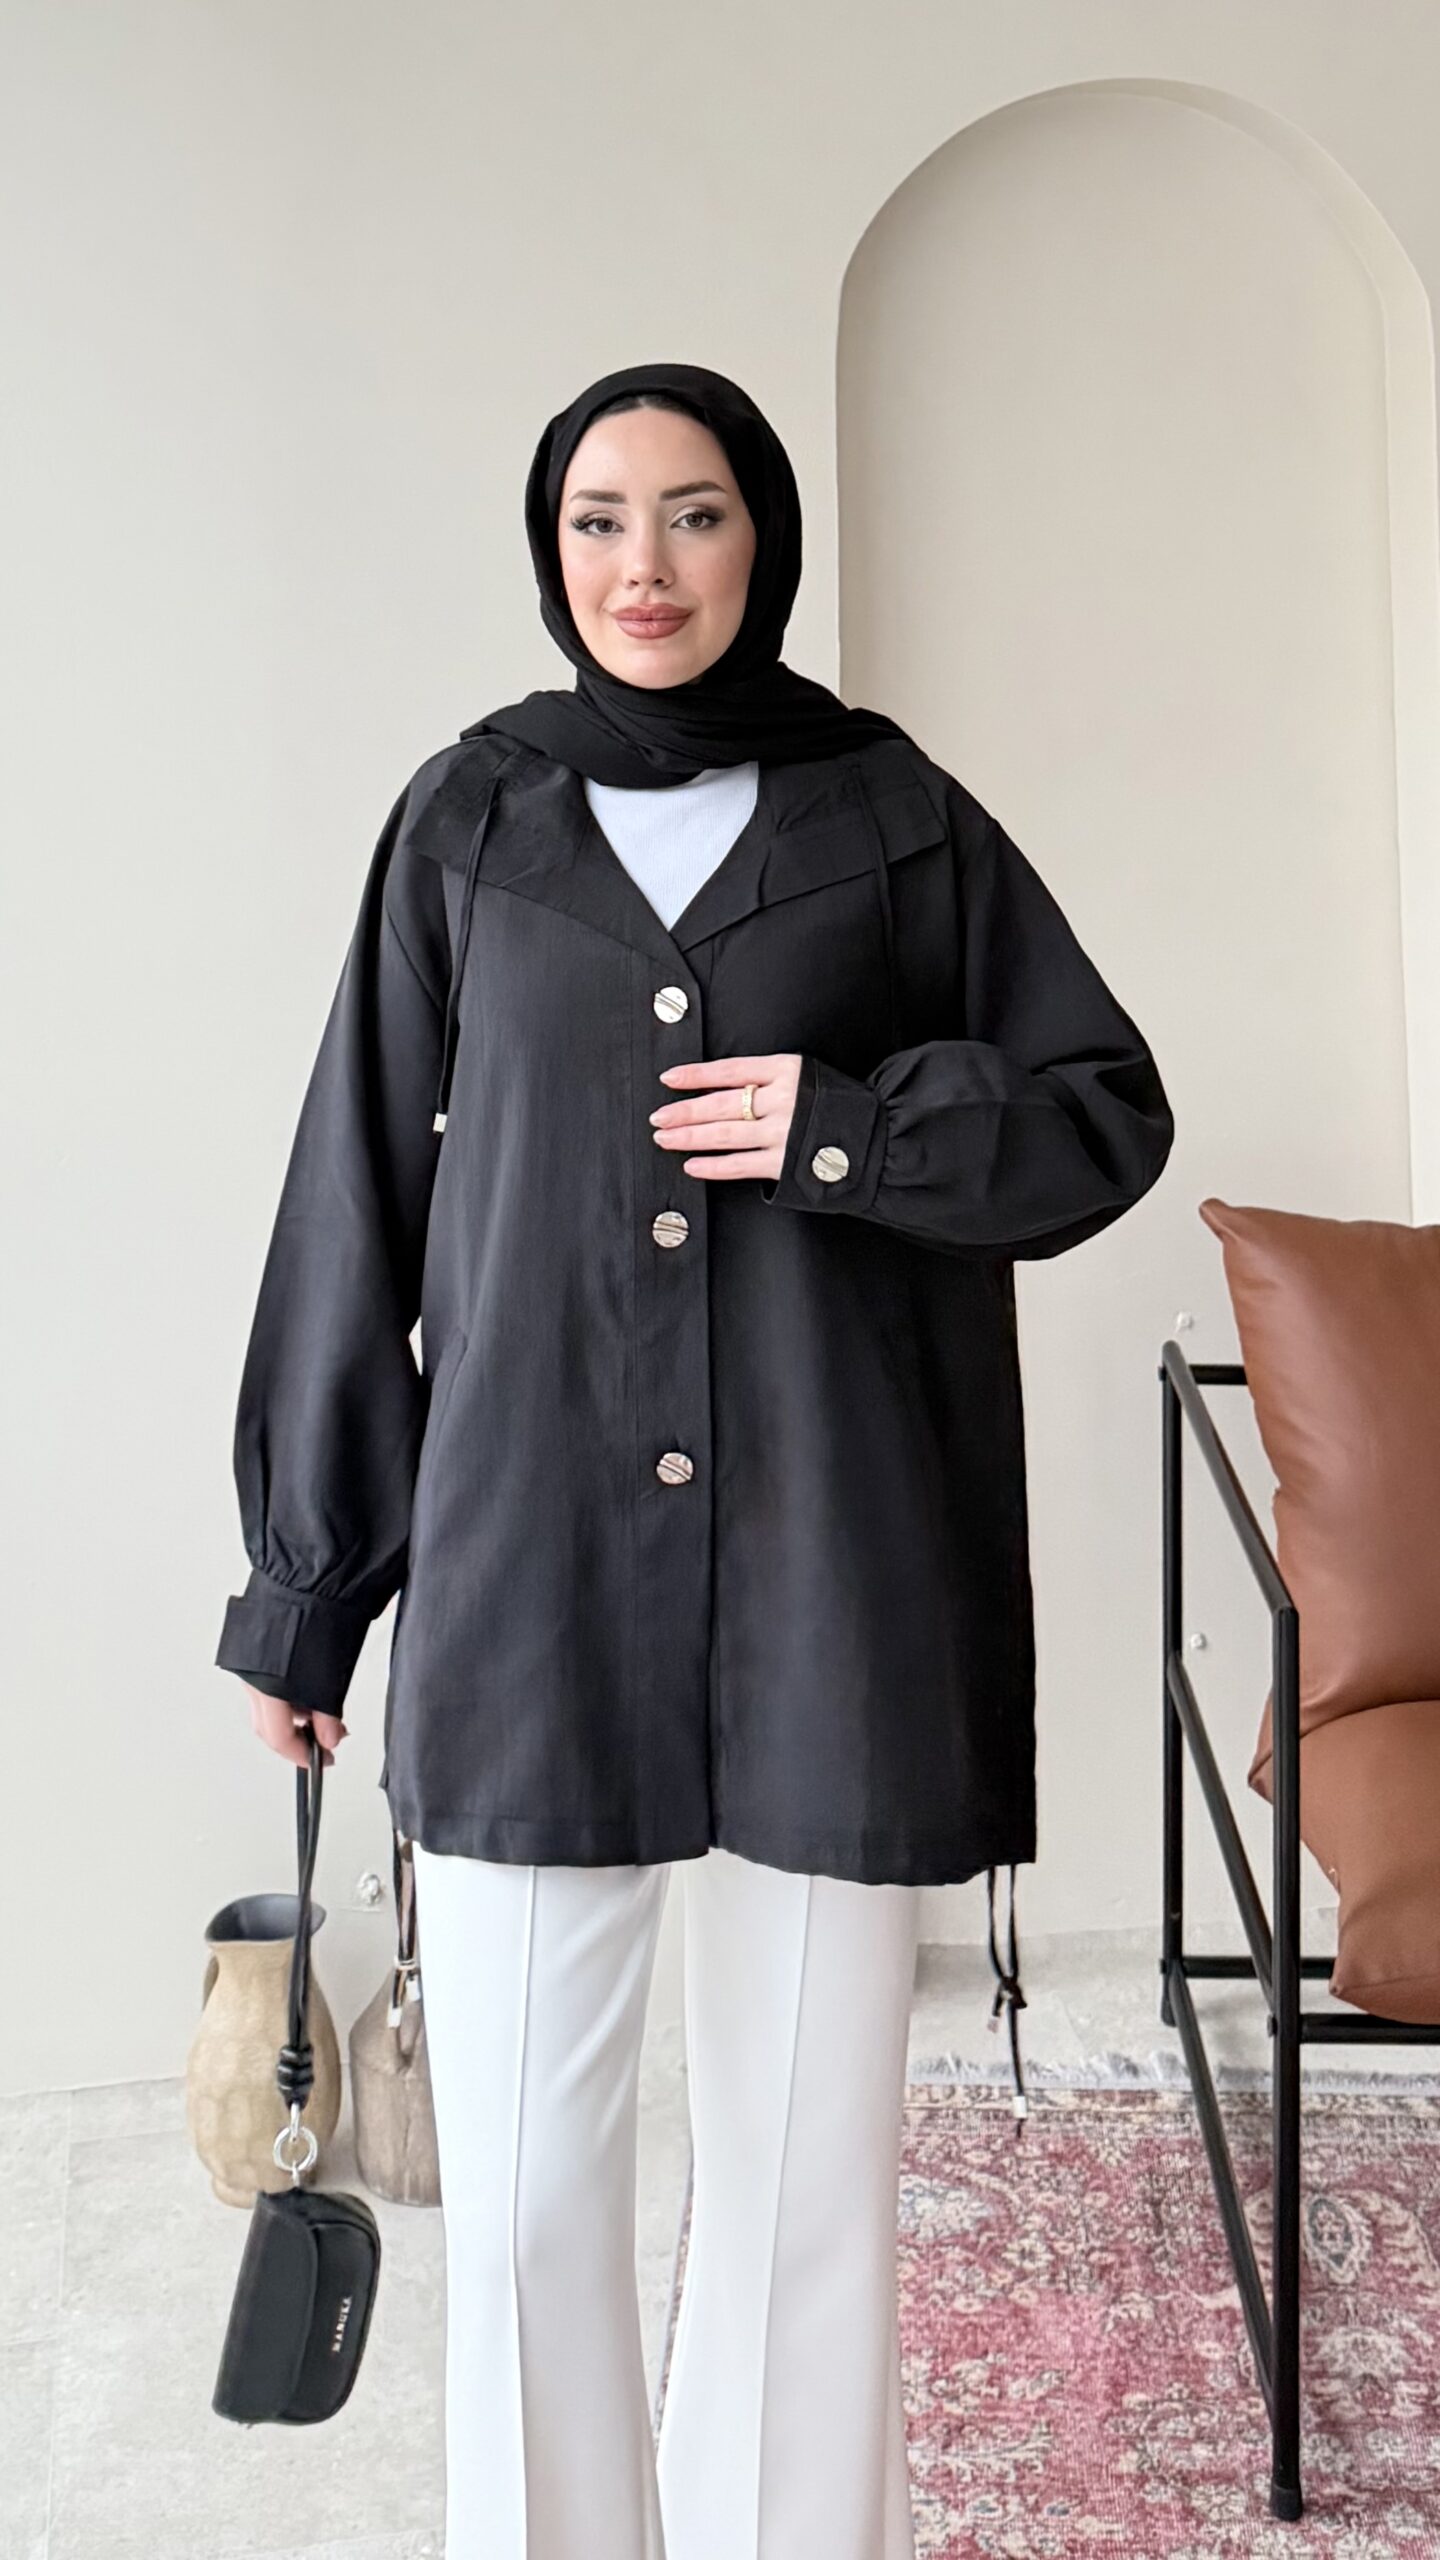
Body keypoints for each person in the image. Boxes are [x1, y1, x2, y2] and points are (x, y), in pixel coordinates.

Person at [215, 360, 1175, 2555]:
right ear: (550, 550)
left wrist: (852, 1128)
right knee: (528, 2203)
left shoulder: (894, 813)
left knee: (805, 2195)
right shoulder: (472, 820)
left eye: (696, 514)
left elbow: (1101, 1112)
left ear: (766, 538)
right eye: (600, 520)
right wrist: (307, 1590)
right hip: (531, 1583)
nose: (643, 566)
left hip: (843, 1585)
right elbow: (357, 1197)